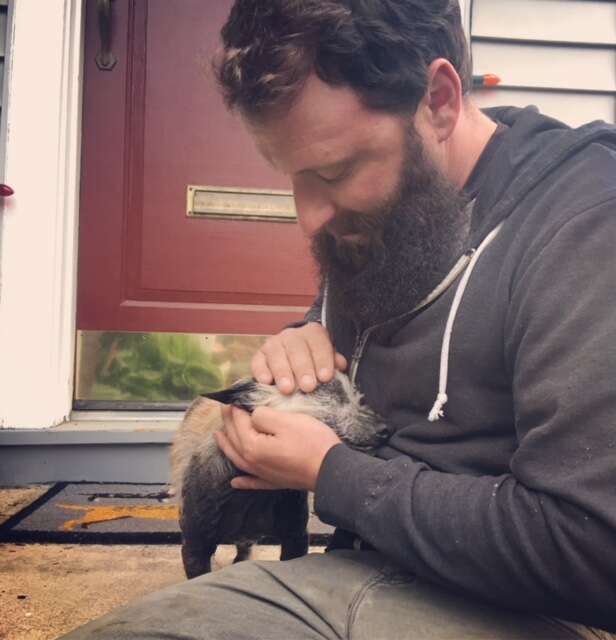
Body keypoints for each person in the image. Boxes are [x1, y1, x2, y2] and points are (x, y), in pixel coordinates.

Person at [61, 1, 616, 638]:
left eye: (333, 172)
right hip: (357, 572)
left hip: (532, 609)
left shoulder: (586, 229)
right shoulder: (401, 213)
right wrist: (307, 336)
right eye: (293, 176)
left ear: (438, 99)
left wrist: (332, 474)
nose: (309, 218)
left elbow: (591, 552)